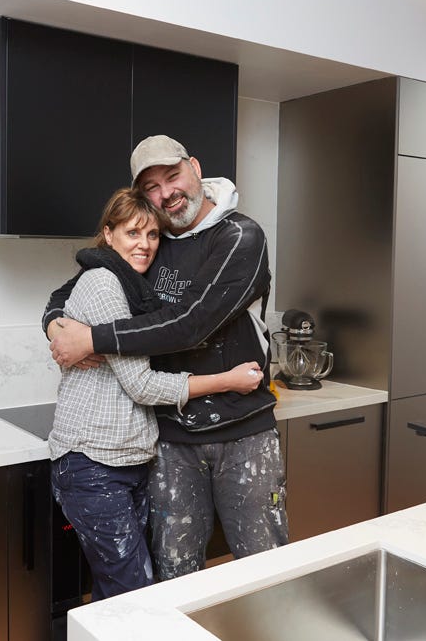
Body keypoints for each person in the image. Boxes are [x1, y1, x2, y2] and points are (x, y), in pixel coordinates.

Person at [44, 135, 288, 581]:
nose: (166, 193)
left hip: (243, 432)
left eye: (172, 176)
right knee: (173, 579)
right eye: (152, 187)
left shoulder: (240, 237)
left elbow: (191, 322)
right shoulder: (150, 244)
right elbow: (68, 291)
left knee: (264, 570)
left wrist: (92, 339)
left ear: (194, 168)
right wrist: (55, 324)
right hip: (169, 438)